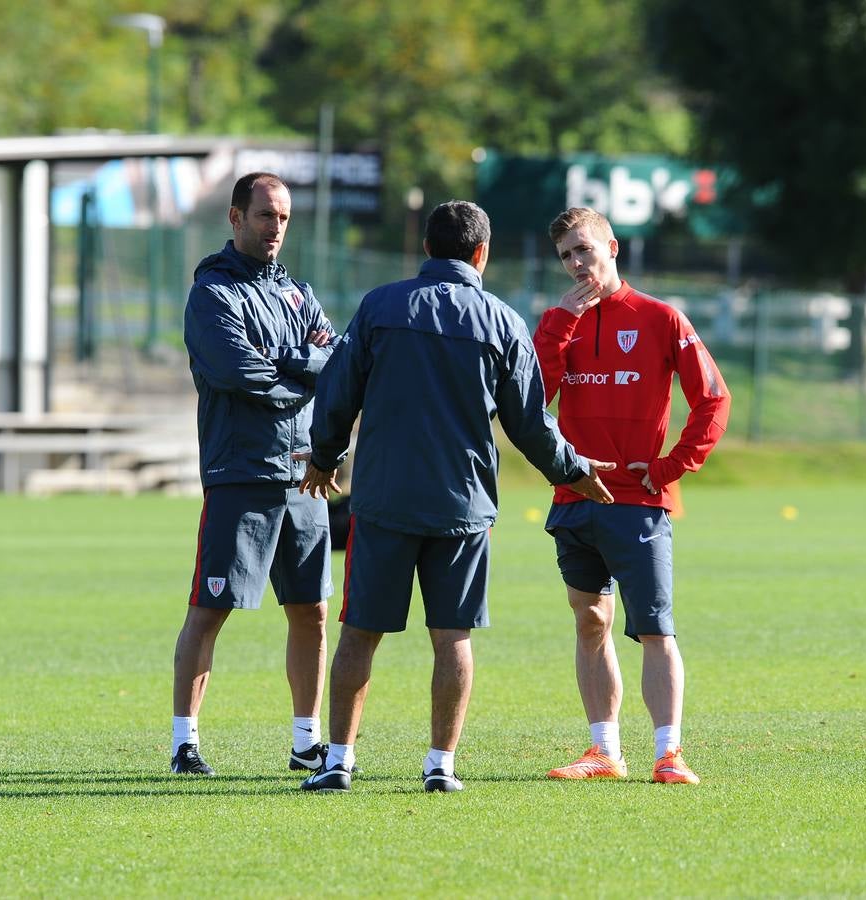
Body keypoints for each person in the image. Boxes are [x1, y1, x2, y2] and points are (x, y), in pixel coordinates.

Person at [296, 200, 616, 793]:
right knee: (453, 637)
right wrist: (572, 470)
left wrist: (324, 456)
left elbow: (339, 390)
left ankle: (337, 761)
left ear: (427, 248)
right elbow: (529, 422)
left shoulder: (379, 306)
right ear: (481, 253)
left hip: (384, 501)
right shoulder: (502, 322)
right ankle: (440, 766)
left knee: (360, 632)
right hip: (462, 508)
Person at [533, 207, 730, 785]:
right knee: (590, 621)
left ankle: (669, 754)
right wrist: (559, 326)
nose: (577, 263)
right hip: (575, 499)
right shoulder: (558, 323)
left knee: (654, 629)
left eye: (584, 249)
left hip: (639, 504)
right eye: (566, 255)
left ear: (612, 247)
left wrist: (671, 465)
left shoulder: (660, 318)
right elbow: (531, 400)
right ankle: (604, 751)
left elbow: (714, 399)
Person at [170, 171, 339, 776]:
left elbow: (338, 358)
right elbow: (240, 373)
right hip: (240, 471)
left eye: (284, 217)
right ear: (236, 217)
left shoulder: (298, 291)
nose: (276, 228)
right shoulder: (212, 294)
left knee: (312, 610)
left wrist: (291, 361)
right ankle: (184, 743)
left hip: (305, 473)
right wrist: (305, 373)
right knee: (211, 607)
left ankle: (306, 741)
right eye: (266, 215)